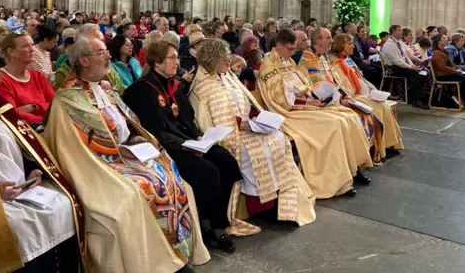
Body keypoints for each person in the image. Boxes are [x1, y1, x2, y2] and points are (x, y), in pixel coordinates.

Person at [45, 37, 209, 272]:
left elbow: (125, 122)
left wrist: (133, 137)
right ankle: (150, 263)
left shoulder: (106, 88)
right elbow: (71, 149)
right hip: (97, 164)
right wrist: (116, 151)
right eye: (102, 52)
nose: (108, 56)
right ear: (84, 60)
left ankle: (176, 249)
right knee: (135, 192)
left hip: (126, 154)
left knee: (171, 175)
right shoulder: (66, 100)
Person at [123, 40, 255, 252]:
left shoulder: (174, 85)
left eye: (176, 56)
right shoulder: (141, 90)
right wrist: (185, 145)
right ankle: (211, 227)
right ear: (157, 62)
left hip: (189, 141)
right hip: (167, 147)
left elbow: (187, 118)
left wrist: (199, 137)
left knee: (228, 163)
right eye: (172, 57)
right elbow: (153, 130)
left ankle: (216, 220)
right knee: (208, 172)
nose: (178, 61)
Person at [0, 53, 88, 272]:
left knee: (65, 204)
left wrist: (33, 170)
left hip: (23, 190)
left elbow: (22, 146)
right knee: (18, 226)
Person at [189, 39, 316, 225]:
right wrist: (240, 125)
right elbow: (205, 122)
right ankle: (262, 206)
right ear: (212, 59)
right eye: (224, 57)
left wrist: (254, 120)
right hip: (228, 136)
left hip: (245, 127)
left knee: (278, 138)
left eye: (228, 56)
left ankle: (279, 199)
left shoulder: (228, 76)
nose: (228, 60)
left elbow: (245, 103)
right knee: (257, 151)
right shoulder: (201, 87)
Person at [257, 29, 370, 198]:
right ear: (279, 46)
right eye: (290, 49)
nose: (292, 53)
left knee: (347, 116)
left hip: (305, 103)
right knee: (334, 124)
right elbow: (281, 101)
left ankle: (354, 169)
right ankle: (336, 181)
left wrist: (312, 97)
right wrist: (308, 102)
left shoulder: (286, 61)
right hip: (290, 113)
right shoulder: (269, 67)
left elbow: (302, 84)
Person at [297, 28, 377, 175]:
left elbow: (336, 80)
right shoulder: (309, 60)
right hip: (321, 103)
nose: (332, 41)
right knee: (349, 119)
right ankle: (347, 169)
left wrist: (345, 95)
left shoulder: (323, 57)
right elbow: (317, 88)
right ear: (319, 40)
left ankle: (356, 167)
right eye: (328, 38)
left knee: (357, 115)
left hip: (335, 100)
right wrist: (339, 100)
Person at [330, 34, 404, 161]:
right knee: (378, 108)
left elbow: (360, 77)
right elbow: (342, 84)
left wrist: (370, 88)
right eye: (350, 44)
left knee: (383, 105)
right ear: (341, 45)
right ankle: (378, 147)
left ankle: (388, 144)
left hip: (361, 93)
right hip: (352, 96)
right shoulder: (334, 62)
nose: (353, 46)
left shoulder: (348, 59)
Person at [0, 32, 55, 126]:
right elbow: (12, 115)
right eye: (26, 46)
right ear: (11, 51)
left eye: (32, 44)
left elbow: (56, 105)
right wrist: (46, 119)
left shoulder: (38, 76)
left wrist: (34, 107)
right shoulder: (0, 79)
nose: (32, 49)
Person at [54, 24, 125, 94]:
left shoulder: (105, 63)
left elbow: (120, 91)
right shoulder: (64, 73)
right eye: (97, 42)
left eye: (102, 41)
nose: (102, 45)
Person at [380, 25, 430, 109]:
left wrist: (412, 65)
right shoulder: (389, 44)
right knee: (413, 73)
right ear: (393, 32)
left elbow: (405, 57)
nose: (402, 32)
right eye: (399, 30)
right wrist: (410, 67)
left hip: (399, 65)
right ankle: (416, 100)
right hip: (392, 68)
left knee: (421, 72)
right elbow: (396, 61)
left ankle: (417, 96)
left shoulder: (398, 42)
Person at [430, 34, 465, 109]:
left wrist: (457, 68)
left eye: (446, 38)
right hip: (442, 75)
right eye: (443, 38)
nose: (446, 39)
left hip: (447, 73)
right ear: (438, 41)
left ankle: (458, 97)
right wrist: (455, 71)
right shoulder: (437, 53)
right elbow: (442, 67)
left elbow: (451, 63)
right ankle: (464, 100)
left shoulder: (444, 51)